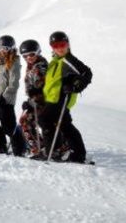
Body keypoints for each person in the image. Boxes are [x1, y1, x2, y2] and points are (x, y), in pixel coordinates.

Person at [40, 31, 92, 163]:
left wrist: (76, 87)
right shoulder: (55, 61)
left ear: (67, 44)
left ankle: (55, 151)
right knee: (64, 125)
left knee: (45, 119)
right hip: (51, 99)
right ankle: (75, 154)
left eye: (62, 44)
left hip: (59, 99)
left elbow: (86, 73)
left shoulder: (69, 60)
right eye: (55, 46)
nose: (59, 48)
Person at [0, 35, 25, 155]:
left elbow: (13, 84)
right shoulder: (0, 62)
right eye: (1, 47)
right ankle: (0, 146)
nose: (3, 50)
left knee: (8, 127)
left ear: (12, 49)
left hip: (6, 101)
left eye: (6, 48)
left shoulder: (14, 62)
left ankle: (20, 148)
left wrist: (4, 97)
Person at [18, 39, 49, 158]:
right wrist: (29, 99)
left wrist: (32, 99)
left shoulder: (40, 67)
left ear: (38, 52)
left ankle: (39, 148)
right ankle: (40, 147)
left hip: (42, 102)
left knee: (25, 121)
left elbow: (40, 86)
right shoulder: (32, 65)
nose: (28, 58)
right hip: (35, 101)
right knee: (26, 121)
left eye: (31, 54)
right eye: (25, 56)